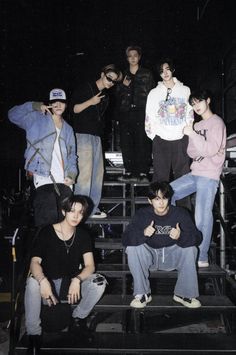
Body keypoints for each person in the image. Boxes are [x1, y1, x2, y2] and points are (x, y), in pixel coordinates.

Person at [24, 195, 107, 353]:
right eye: (72, 211)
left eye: (80, 212)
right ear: (63, 211)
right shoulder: (47, 232)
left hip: (70, 284)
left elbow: (90, 266)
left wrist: (77, 279)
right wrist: (43, 281)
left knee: (99, 282)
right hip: (47, 285)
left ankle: (78, 319)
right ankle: (33, 335)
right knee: (33, 282)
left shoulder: (83, 235)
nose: (76, 216)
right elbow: (34, 262)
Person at [122, 181, 202, 309]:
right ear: (150, 201)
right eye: (157, 199)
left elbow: (197, 238)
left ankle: (184, 294)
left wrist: (180, 236)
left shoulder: (180, 213)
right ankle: (142, 293)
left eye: (164, 198)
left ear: (169, 199)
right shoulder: (142, 214)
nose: (161, 202)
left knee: (191, 249)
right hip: (151, 258)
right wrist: (143, 233)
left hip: (173, 257)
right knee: (132, 248)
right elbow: (125, 239)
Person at [171, 89, 226, 267]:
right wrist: (196, 138)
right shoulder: (197, 125)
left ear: (208, 100)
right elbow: (191, 152)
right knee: (166, 193)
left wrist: (194, 136)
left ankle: (201, 256)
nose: (196, 106)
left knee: (202, 215)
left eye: (199, 102)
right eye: (193, 104)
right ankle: (178, 235)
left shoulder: (216, 123)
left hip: (209, 175)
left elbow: (210, 150)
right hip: (196, 172)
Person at [8, 89, 77, 227]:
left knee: (65, 224)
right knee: (47, 221)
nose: (58, 105)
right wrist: (34, 106)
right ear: (49, 103)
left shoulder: (68, 129)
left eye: (62, 102)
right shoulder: (35, 119)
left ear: (66, 104)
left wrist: (71, 174)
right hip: (43, 177)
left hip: (64, 182)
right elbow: (12, 115)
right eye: (54, 102)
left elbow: (72, 155)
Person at [71, 64, 122, 218]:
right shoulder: (86, 87)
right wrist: (91, 102)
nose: (111, 82)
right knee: (84, 175)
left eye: (113, 81)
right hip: (83, 135)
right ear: (102, 74)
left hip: (96, 137)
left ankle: (92, 209)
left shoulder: (105, 95)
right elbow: (74, 109)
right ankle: (79, 210)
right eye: (109, 78)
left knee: (97, 174)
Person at [145, 58, 193, 183]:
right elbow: (149, 116)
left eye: (167, 69)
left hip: (181, 139)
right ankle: (160, 203)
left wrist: (187, 133)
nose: (165, 73)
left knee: (183, 178)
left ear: (173, 69)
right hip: (161, 140)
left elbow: (189, 113)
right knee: (160, 179)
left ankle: (183, 204)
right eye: (161, 71)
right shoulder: (153, 93)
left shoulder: (185, 90)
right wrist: (154, 136)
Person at [116, 45, 155, 182]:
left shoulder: (147, 74)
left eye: (135, 55)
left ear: (139, 57)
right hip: (126, 112)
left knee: (142, 141)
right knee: (127, 142)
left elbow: (152, 93)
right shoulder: (122, 75)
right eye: (130, 56)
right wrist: (123, 86)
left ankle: (143, 173)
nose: (133, 58)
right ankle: (128, 172)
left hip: (142, 112)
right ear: (127, 58)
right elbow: (116, 95)